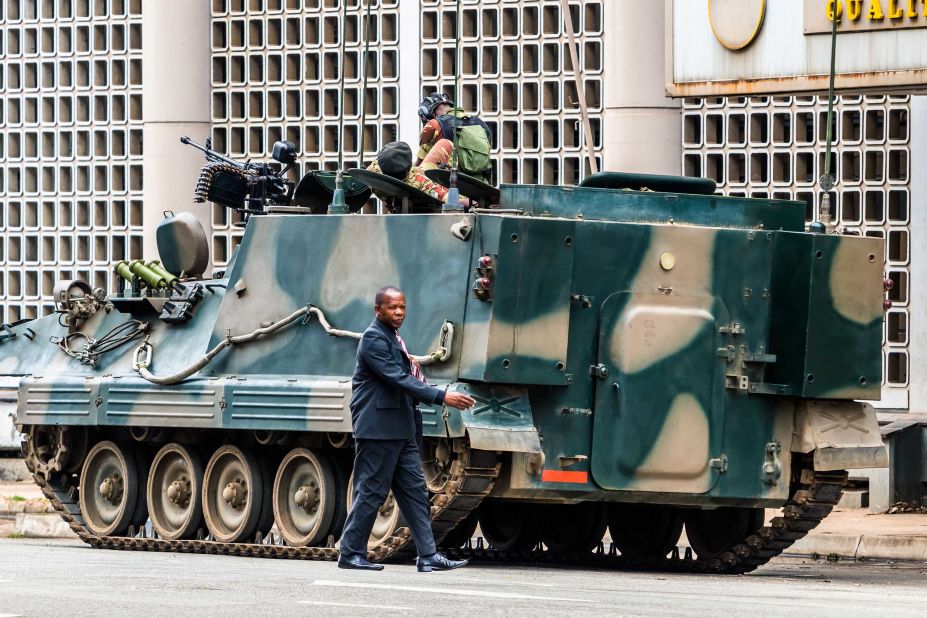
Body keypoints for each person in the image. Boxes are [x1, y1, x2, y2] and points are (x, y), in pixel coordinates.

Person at [337, 286, 476, 572]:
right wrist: (441, 396)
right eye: (392, 307)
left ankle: (428, 555)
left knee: (415, 492)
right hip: (379, 429)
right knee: (372, 492)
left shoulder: (393, 338)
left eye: (402, 307)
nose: (399, 312)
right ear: (378, 310)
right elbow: (398, 378)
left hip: (402, 430)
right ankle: (350, 553)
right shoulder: (373, 339)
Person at [416, 92, 493, 181]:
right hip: (480, 182)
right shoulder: (479, 122)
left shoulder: (434, 124)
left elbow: (422, 147)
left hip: (450, 181)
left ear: (430, 114)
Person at [365, 141, 454, 205]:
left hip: (394, 204)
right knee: (444, 144)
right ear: (408, 171)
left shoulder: (373, 170)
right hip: (419, 205)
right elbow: (451, 200)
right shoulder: (420, 181)